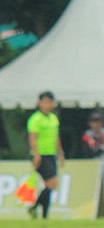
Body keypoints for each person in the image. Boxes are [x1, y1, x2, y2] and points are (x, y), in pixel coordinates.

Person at [26, 91, 64, 219]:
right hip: (41, 155)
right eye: (45, 102)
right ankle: (37, 209)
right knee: (52, 182)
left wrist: (60, 152)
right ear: (40, 103)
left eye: (50, 102)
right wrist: (36, 154)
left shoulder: (53, 118)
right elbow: (32, 138)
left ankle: (40, 212)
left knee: (50, 185)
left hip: (51, 154)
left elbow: (56, 137)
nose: (48, 105)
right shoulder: (35, 119)